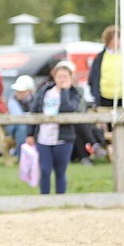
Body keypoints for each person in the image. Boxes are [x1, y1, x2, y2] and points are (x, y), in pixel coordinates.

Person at [26, 60, 84, 195]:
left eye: (65, 77)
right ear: (54, 76)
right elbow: (34, 111)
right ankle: (44, 198)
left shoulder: (75, 93)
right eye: (59, 76)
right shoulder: (44, 91)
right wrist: (30, 133)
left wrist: (64, 91)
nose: (62, 79)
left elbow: (68, 109)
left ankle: (60, 199)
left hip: (63, 138)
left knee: (60, 171)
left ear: (70, 78)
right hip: (43, 137)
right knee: (45, 170)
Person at [87, 25, 124, 109]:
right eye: (112, 39)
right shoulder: (100, 57)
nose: (116, 42)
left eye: (118, 38)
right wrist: (95, 94)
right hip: (104, 98)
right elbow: (92, 78)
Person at [6, 75, 35, 154]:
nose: (18, 93)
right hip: (13, 125)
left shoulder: (35, 99)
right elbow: (18, 117)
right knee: (22, 127)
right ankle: (21, 155)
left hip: (30, 125)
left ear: (29, 91)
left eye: (21, 91)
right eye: (17, 90)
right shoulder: (12, 99)